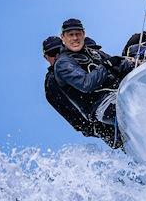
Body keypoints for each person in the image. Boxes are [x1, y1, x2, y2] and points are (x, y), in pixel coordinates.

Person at [53, 18, 135, 148]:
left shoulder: (94, 53)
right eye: (70, 34)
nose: (75, 38)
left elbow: (117, 64)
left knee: (145, 95)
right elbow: (86, 84)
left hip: (120, 94)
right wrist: (107, 65)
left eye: (78, 34)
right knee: (135, 108)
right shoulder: (63, 64)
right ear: (63, 37)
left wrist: (132, 63)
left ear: (84, 34)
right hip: (102, 106)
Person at [43, 36, 95, 137]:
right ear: (46, 57)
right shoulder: (52, 82)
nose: (57, 55)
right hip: (97, 120)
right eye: (52, 53)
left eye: (59, 50)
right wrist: (90, 127)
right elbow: (66, 110)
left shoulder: (75, 62)